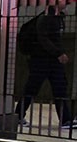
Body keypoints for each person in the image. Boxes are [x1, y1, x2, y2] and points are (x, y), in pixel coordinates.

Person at [15, 1, 76, 129]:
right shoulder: (46, 18)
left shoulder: (59, 18)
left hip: (51, 60)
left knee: (59, 87)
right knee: (32, 88)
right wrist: (58, 53)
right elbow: (44, 39)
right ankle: (17, 116)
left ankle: (65, 120)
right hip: (41, 60)